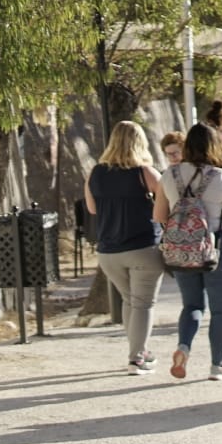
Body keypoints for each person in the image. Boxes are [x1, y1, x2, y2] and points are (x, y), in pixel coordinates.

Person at [153, 122, 222, 381]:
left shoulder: (168, 176)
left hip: (182, 248)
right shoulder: (220, 177)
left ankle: (183, 347)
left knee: (192, 305)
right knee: (219, 310)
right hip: (216, 247)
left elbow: (159, 215)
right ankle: (218, 366)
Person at [84, 120, 164, 375]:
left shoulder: (95, 173)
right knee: (142, 303)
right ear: (140, 142)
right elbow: (166, 206)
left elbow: (92, 209)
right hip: (143, 248)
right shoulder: (146, 173)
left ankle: (139, 351)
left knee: (130, 301)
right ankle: (136, 358)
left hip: (108, 252)